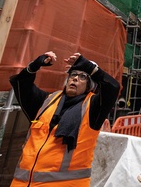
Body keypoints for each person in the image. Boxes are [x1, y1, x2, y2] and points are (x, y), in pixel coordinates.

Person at [9, 51, 120, 187]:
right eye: (73, 75)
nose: (75, 79)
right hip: (21, 183)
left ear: (90, 85)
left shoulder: (92, 108)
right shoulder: (46, 101)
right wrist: (35, 65)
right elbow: (21, 83)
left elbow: (112, 88)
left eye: (83, 76)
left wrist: (89, 67)